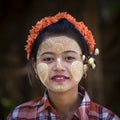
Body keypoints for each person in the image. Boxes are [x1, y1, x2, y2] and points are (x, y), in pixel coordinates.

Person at [7, 12, 120, 120]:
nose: (58, 67)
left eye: (69, 58)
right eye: (48, 59)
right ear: (35, 65)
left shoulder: (106, 117)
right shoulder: (19, 116)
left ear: (84, 63)